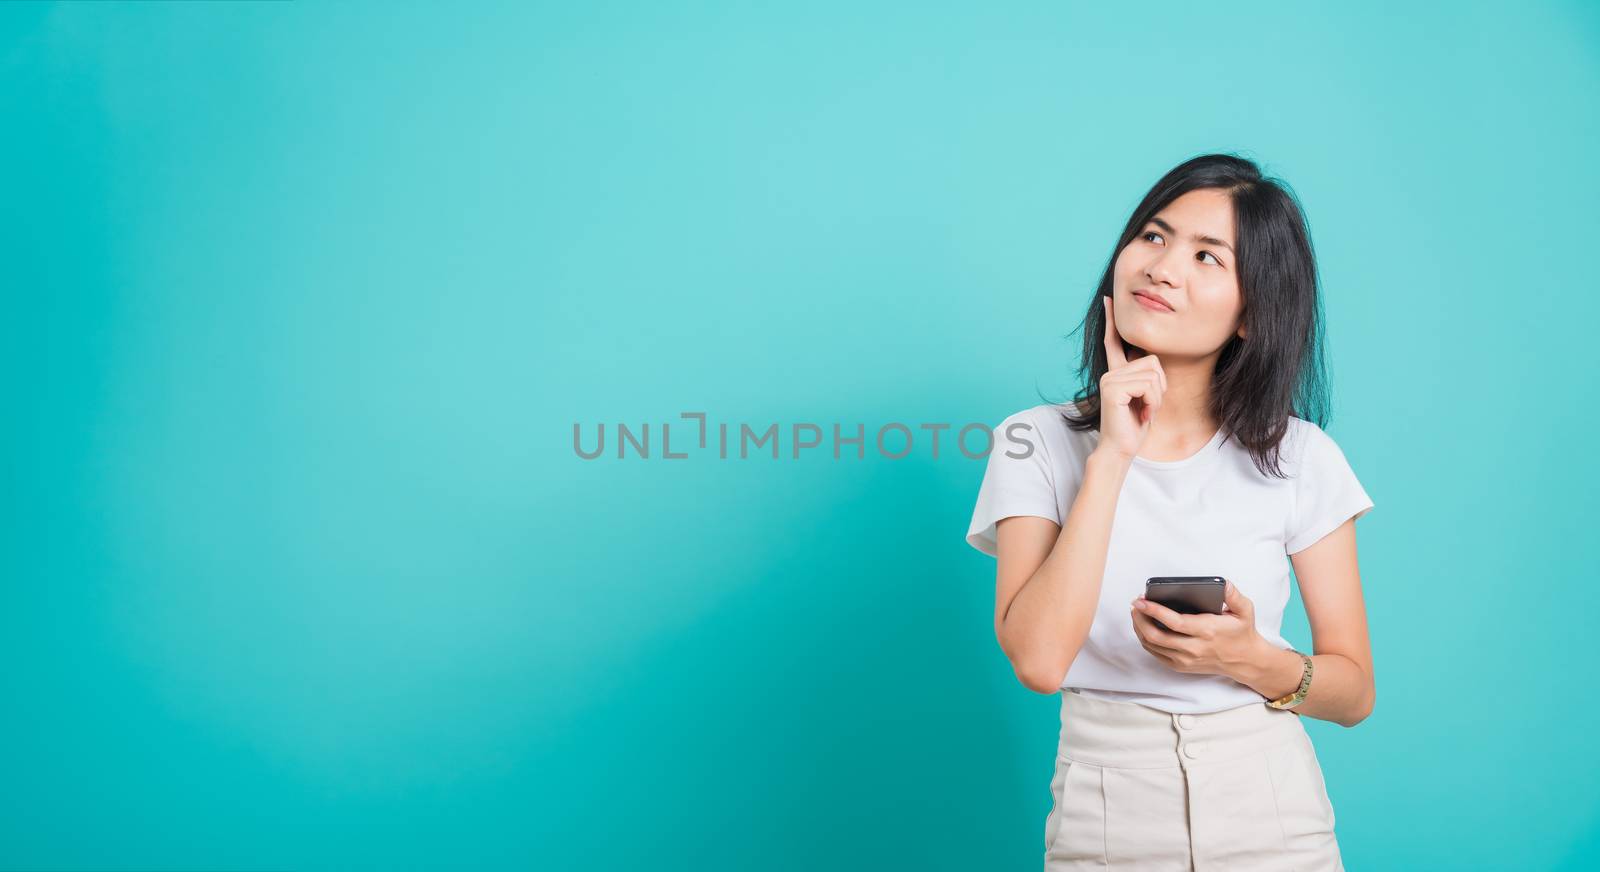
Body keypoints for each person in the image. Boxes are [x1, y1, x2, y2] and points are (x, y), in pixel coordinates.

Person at [966, 153, 1374, 871]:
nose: (1162, 266)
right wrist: (1114, 457)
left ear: (1251, 314)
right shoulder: (1033, 439)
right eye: (1153, 237)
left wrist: (1251, 659)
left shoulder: (1302, 457)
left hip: (1274, 813)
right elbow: (1036, 660)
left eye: (1207, 256)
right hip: (1107, 818)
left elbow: (1353, 692)